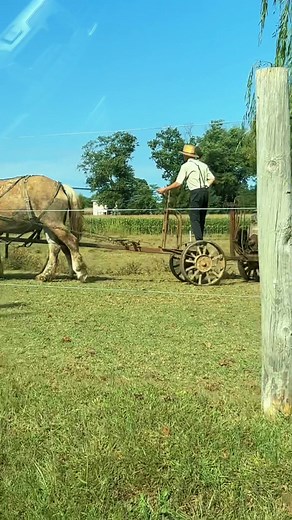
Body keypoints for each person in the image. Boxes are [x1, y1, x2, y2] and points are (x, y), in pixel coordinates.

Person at [157, 144, 215, 241]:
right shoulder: (203, 165)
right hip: (205, 192)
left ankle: (199, 242)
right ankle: (200, 240)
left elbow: (178, 183)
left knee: (194, 217)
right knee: (202, 217)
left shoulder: (186, 166)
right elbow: (212, 178)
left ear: (186, 155)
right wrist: (206, 185)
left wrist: (165, 189)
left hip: (195, 192)